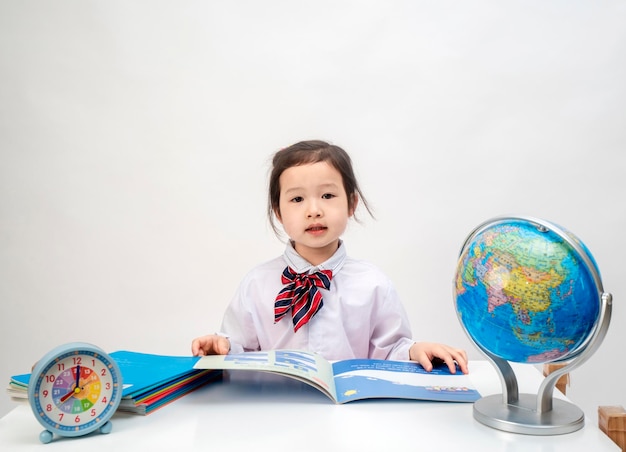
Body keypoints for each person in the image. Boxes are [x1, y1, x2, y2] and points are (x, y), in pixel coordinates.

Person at [191, 140, 469, 374]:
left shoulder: (373, 283)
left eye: (327, 195)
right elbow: (241, 349)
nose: (313, 210)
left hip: (351, 416)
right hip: (275, 412)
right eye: (297, 199)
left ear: (351, 203)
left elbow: (390, 351)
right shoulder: (257, 283)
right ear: (278, 212)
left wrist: (414, 350)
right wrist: (221, 345)